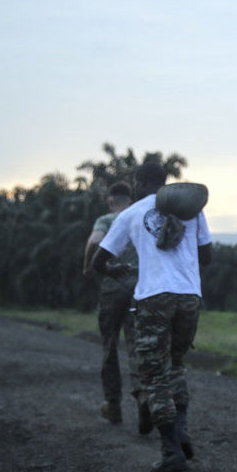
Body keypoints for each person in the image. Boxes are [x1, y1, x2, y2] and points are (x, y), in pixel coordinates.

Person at [91, 163, 212, 472]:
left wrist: (112, 271)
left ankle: (171, 450)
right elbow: (207, 255)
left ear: (139, 182)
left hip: (154, 297)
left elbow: (98, 259)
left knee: (154, 373)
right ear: (165, 181)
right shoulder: (191, 209)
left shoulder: (130, 214)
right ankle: (182, 429)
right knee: (176, 364)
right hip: (189, 296)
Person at [82, 181, 146, 432]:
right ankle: (142, 395)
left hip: (113, 284)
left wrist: (88, 266)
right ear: (130, 201)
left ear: (111, 202)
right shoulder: (138, 216)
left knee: (109, 345)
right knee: (136, 342)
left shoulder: (106, 219)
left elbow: (93, 242)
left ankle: (113, 405)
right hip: (139, 286)